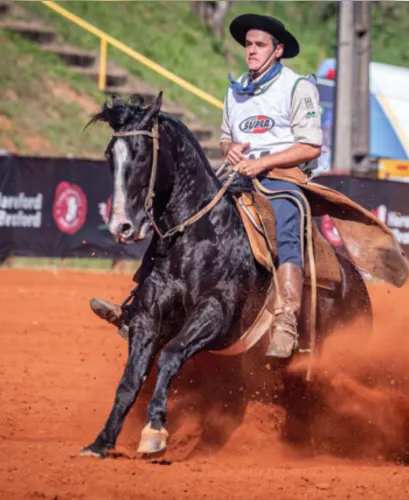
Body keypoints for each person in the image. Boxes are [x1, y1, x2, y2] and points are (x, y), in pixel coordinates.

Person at [89, 13, 323, 360]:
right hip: (237, 175)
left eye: (260, 45)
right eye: (248, 45)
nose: (252, 51)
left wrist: (261, 162)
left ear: (278, 50)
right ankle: (138, 306)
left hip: (282, 179)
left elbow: (311, 146)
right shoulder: (237, 90)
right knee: (181, 218)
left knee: (286, 221)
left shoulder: (297, 87)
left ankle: (286, 318)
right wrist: (231, 150)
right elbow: (227, 139)